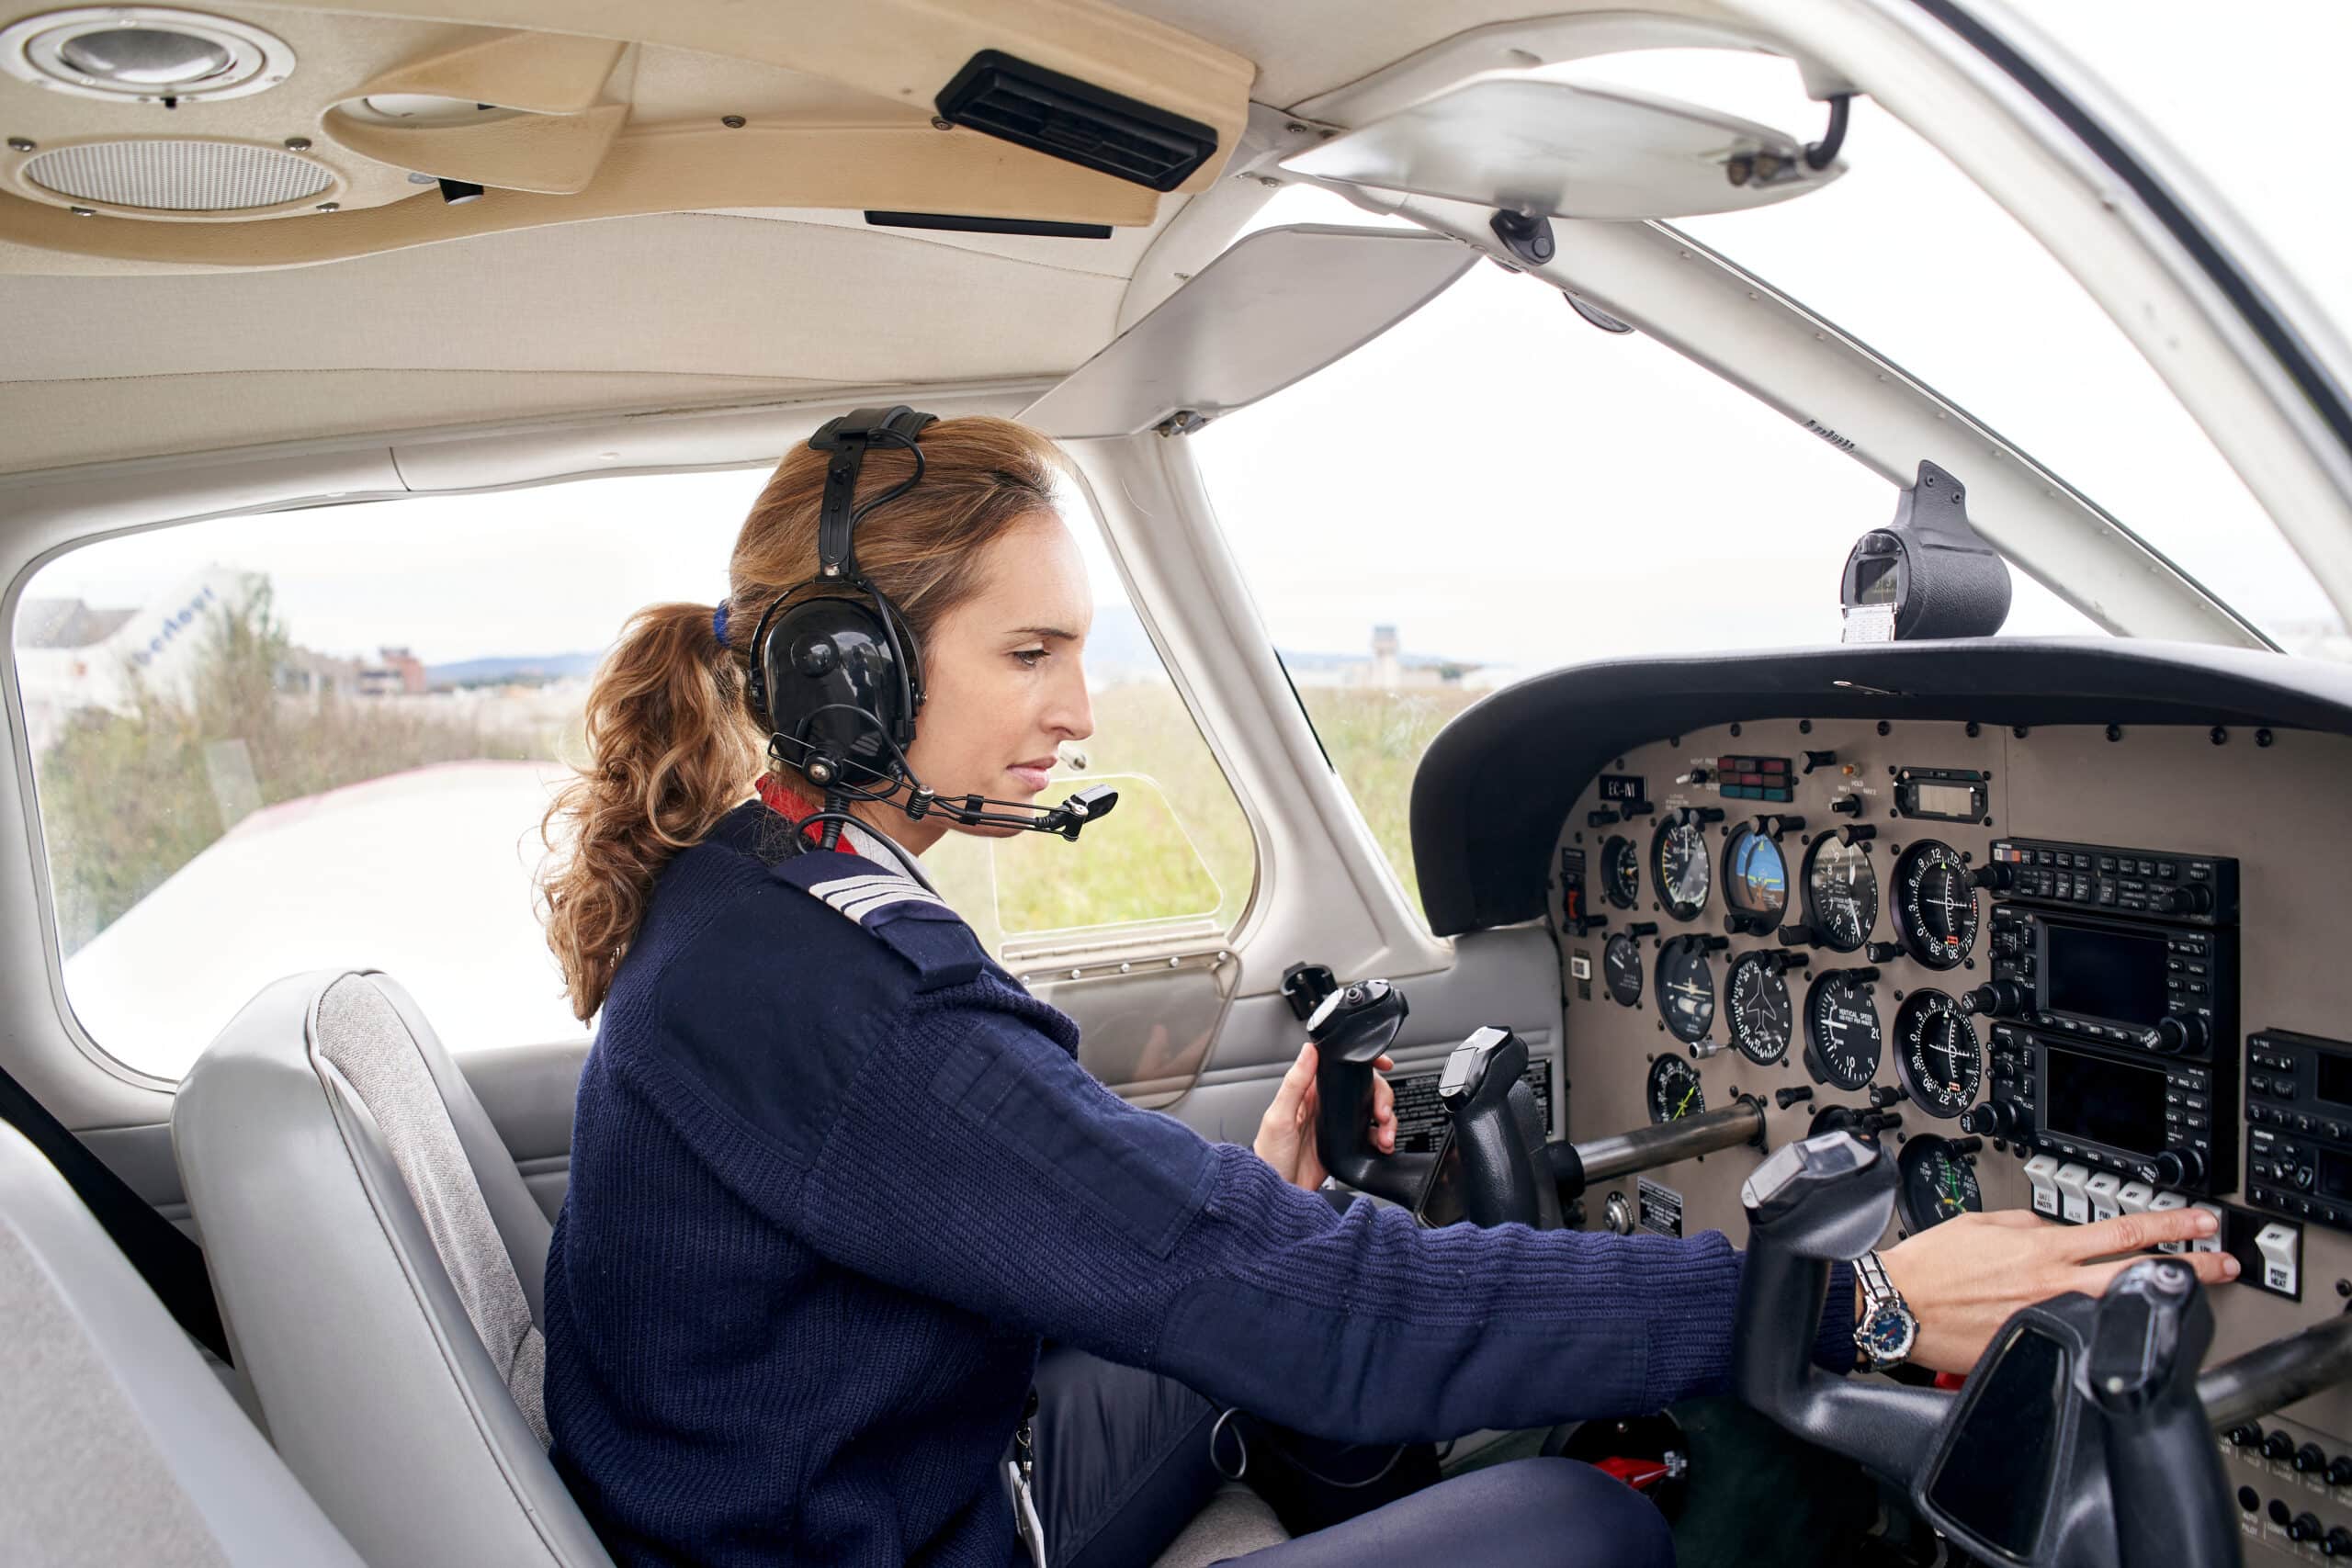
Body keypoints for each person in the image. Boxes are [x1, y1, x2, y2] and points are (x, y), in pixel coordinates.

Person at [537, 414, 2236, 1567]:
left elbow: (1038, 1218)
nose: (1077, 713)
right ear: (854, 675)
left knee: (1278, 1330)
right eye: (1030, 653)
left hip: (863, 1482)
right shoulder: (844, 1000)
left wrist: (1243, 1212)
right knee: (1581, 1529)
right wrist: (1854, 1307)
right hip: (902, 1527)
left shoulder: (764, 902)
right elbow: (1323, 1314)